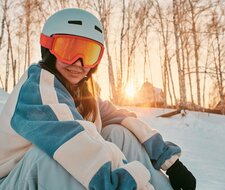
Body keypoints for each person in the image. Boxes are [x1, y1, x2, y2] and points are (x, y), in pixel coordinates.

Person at [0, 8, 196, 190]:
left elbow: (121, 117)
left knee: (119, 132)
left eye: (89, 53)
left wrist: (170, 162)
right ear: (48, 48)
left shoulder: (82, 91)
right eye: (68, 50)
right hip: (11, 180)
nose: (79, 63)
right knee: (53, 158)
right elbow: (79, 146)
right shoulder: (37, 90)